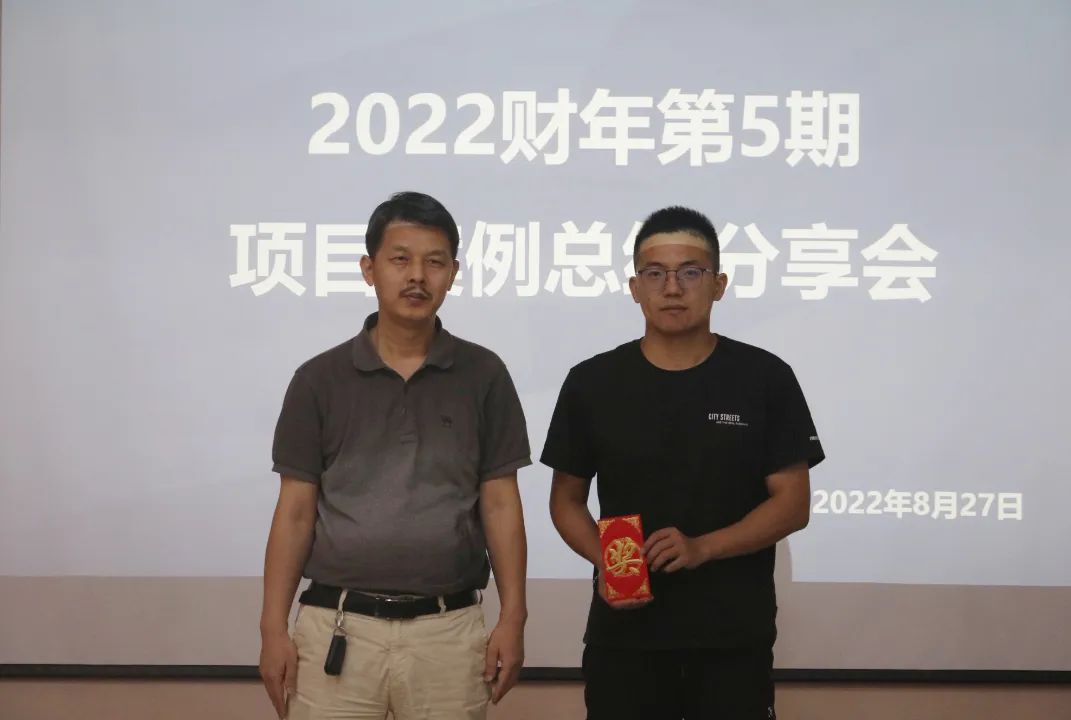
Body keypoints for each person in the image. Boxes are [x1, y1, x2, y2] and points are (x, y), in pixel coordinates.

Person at [542, 206, 824, 719]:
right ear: (635, 287)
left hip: (731, 640)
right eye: (655, 273)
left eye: (690, 272)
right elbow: (566, 500)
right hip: (624, 637)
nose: (672, 288)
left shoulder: (765, 377)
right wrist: (606, 561)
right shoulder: (592, 382)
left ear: (718, 284)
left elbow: (793, 504)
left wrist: (702, 548)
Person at [259, 191, 531, 720]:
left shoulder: (484, 375)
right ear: (370, 269)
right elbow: (294, 512)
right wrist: (272, 629)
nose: (417, 277)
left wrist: (514, 617)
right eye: (400, 259)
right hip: (336, 629)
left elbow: (501, 504)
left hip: (449, 633)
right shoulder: (318, 380)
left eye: (435, 262)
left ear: (453, 274)